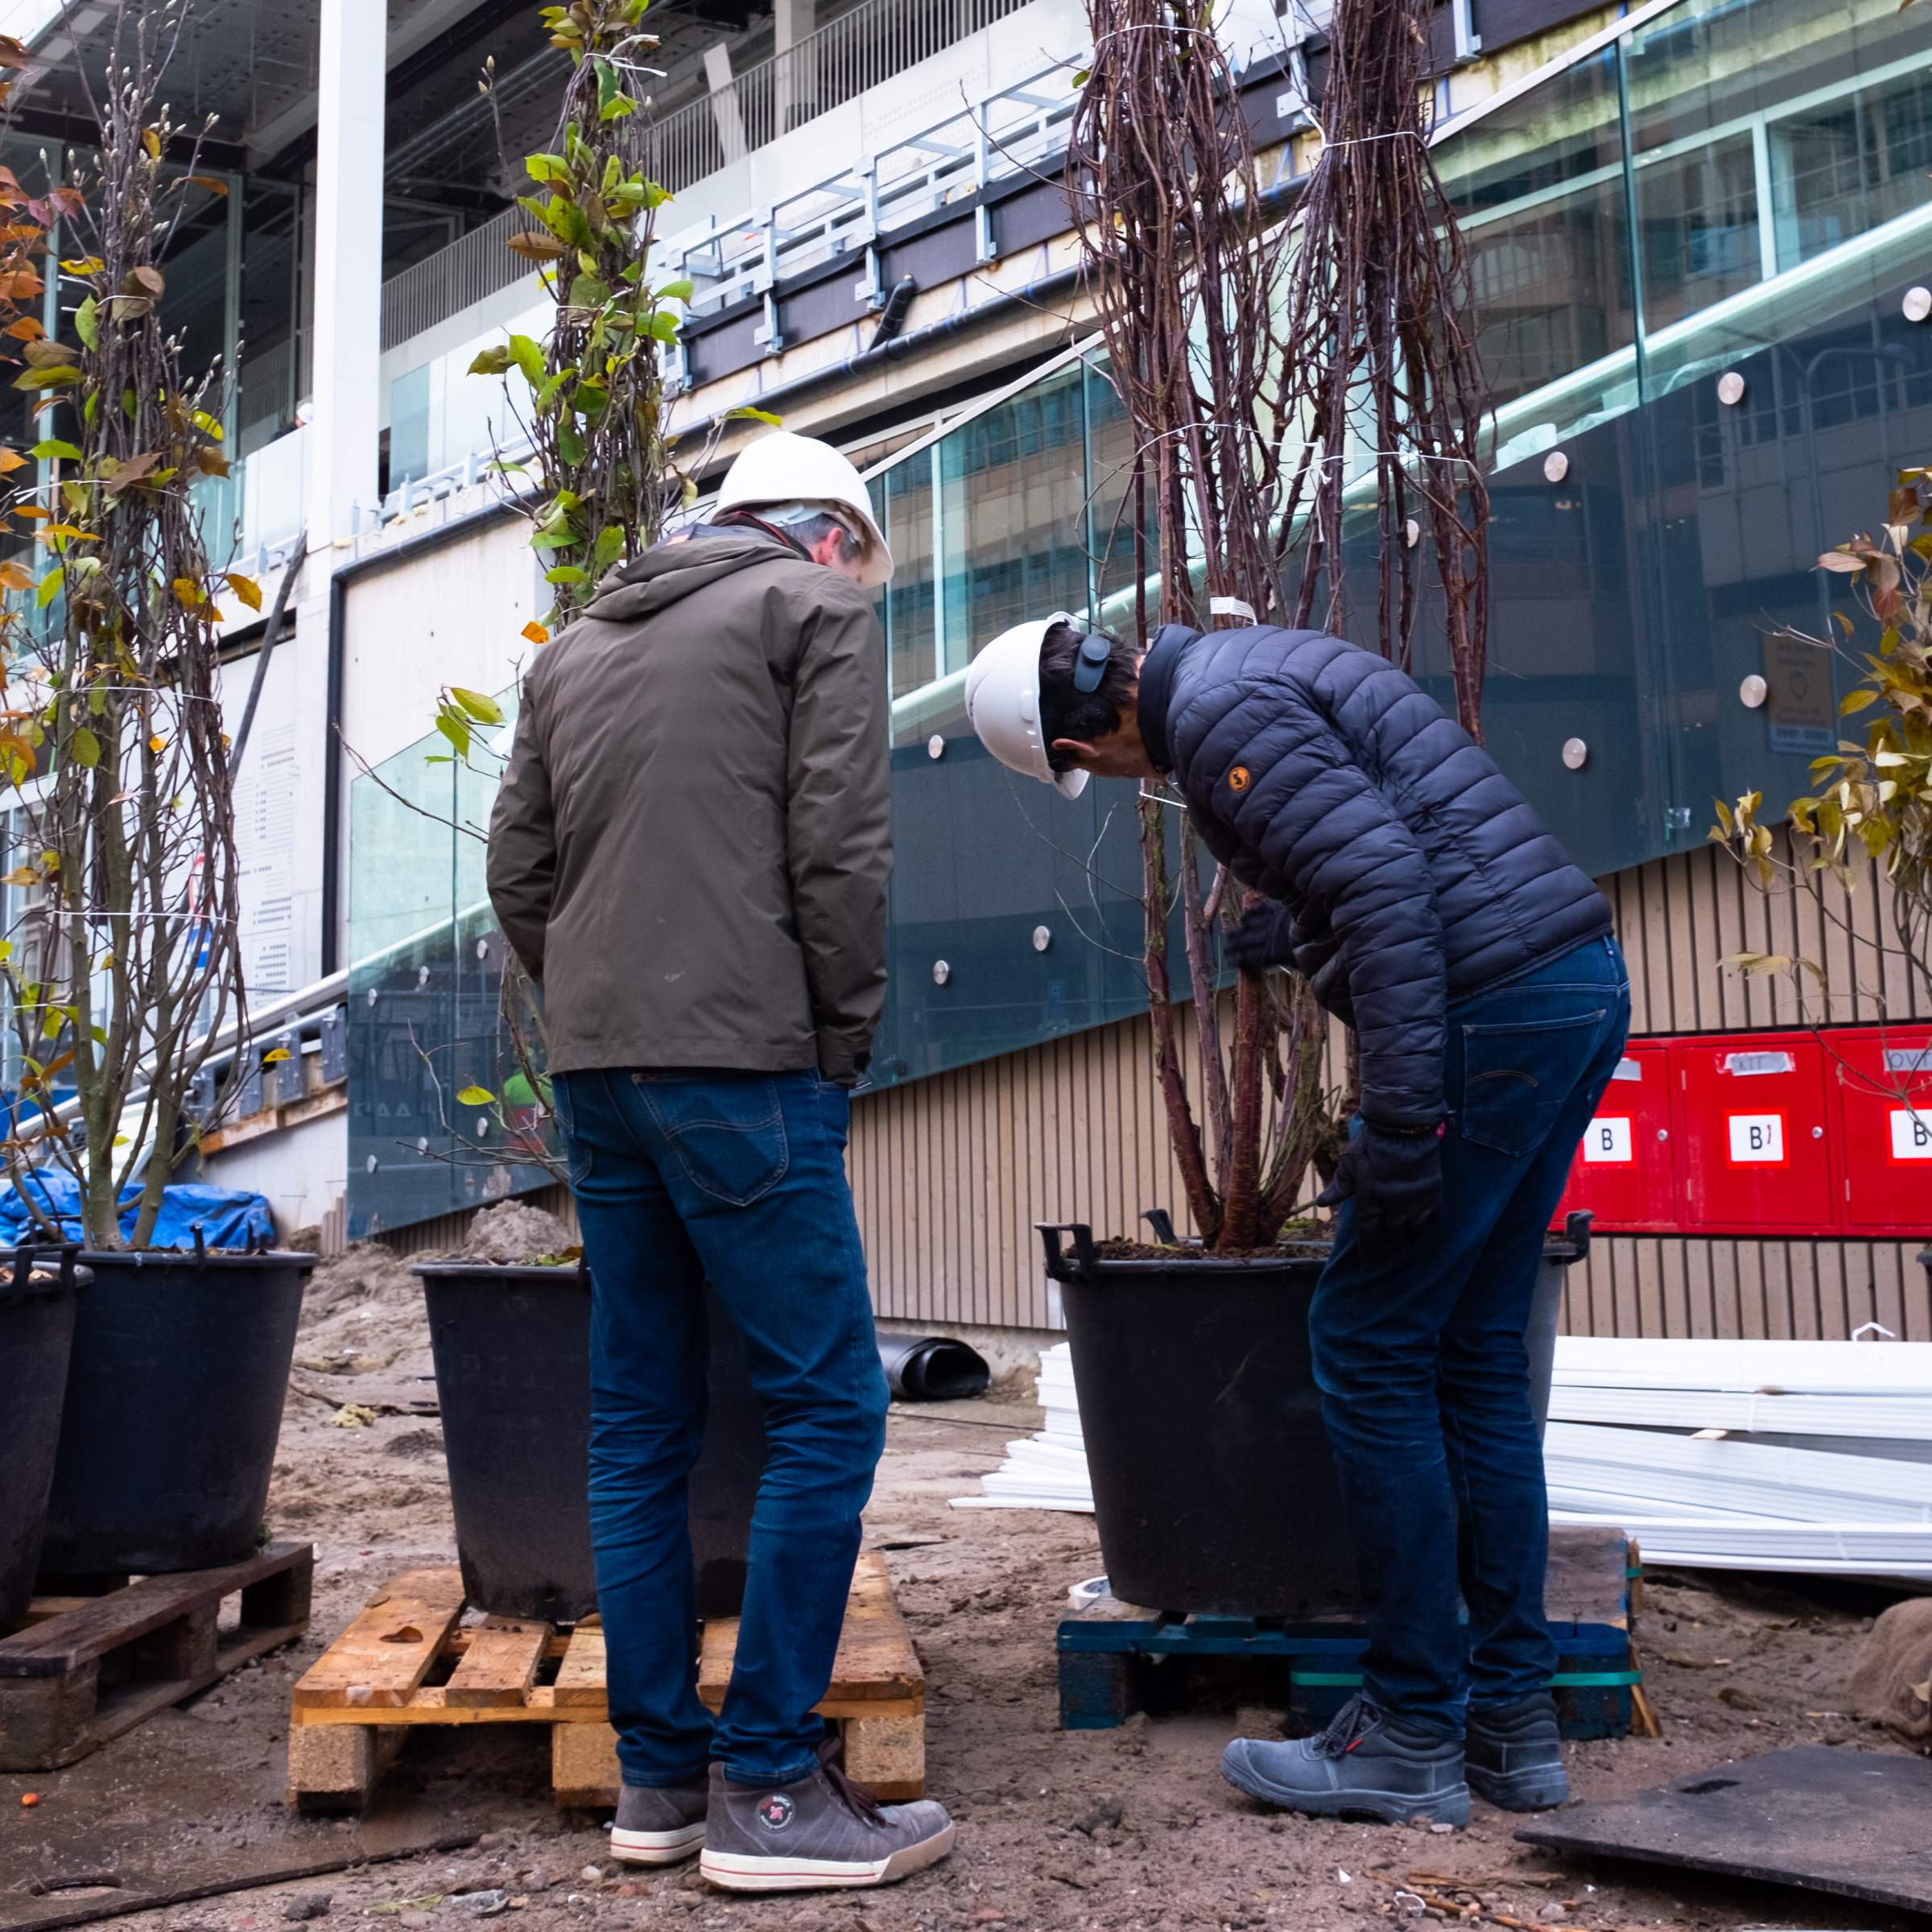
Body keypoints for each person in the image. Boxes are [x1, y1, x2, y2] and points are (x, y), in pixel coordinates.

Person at [964, 612, 1630, 1830]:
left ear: (1089, 726)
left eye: (1090, 765)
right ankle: (1510, 1725)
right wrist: (1296, 927)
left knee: (1370, 1346)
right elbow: (1397, 842)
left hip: (1488, 1014)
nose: (1117, 779)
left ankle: (1412, 1730)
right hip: (1568, 982)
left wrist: (1401, 1123)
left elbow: (1386, 893)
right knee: (1476, 1357)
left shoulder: (1213, 719)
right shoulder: (1253, 662)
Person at [486, 431, 955, 1892]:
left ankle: (657, 1783)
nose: (855, 579)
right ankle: (765, 1792)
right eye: (858, 557)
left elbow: (517, 869)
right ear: (824, 534)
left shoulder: (574, 649)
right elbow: (840, 853)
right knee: (827, 1412)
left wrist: (595, 1002)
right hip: (747, 1066)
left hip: (602, 1076)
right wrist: (840, 1039)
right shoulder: (810, 614)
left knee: (639, 1420)